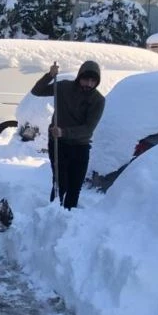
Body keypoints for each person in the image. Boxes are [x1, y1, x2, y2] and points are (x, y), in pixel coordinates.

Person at [30, 60, 105, 210]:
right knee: (60, 183)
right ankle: (52, 215)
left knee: (75, 186)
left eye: (93, 81)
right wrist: (50, 75)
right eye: (86, 79)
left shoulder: (98, 100)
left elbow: (88, 129)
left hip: (80, 146)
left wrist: (64, 132)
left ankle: (68, 219)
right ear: (79, 77)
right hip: (58, 144)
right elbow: (37, 91)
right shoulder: (63, 87)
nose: (89, 84)